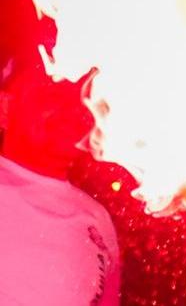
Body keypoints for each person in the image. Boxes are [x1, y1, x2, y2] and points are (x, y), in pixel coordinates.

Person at [0, 56, 122, 306]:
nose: (70, 107)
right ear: (4, 108)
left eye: (79, 95)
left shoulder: (98, 218)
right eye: (50, 89)